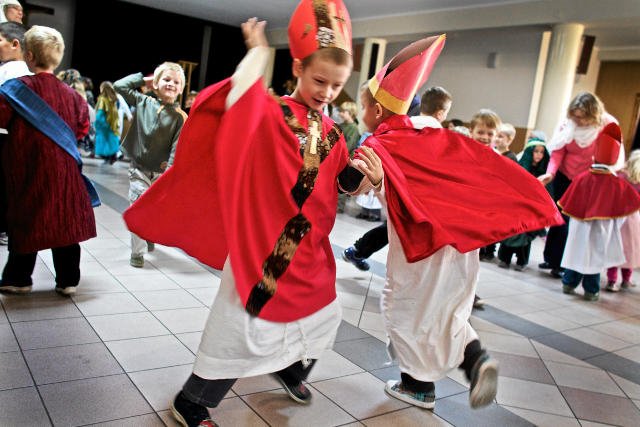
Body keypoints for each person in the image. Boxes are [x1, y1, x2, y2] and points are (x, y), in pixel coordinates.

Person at [123, 2, 382, 426]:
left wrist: (363, 177)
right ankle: (192, 401)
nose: (328, 93)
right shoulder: (271, 112)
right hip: (266, 244)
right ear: (297, 67)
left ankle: (289, 366)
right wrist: (258, 55)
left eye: (337, 86)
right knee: (243, 326)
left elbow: (334, 180)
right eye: (320, 80)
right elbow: (238, 103)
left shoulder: (332, 131)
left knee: (324, 316)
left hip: (309, 247)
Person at [357, 36, 562, 410]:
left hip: (420, 245)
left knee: (404, 309)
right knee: (449, 310)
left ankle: (417, 387)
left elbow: (376, 187)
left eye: (365, 106)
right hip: (460, 242)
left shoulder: (383, 143)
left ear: (378, 112)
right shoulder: (438, 135)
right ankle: (476, 359)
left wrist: (365, 180)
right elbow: (479, 173)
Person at [0, 25, 94, 296]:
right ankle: (68, 280)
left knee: (26, 219)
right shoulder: (74, 97)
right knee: (64, 221)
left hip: (28, 167)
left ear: (28, 56)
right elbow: (81, 129)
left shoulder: (14, 89)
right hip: (65, 169)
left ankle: (19, 279)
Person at [342, 85, 453, 271]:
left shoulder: (398, 129)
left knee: (392, 230)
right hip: (417, 200)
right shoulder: (436, 135)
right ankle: (358, 250)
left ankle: (357, 250)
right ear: (441, 113)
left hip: (395, 194)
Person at [538, 92, 621, 278]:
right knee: (558, 218)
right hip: (563, 177)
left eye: (583, 117)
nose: (579, 121)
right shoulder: (567, 126)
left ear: (593, 114)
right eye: (575, 117)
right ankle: (551, 258)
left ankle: (564, 263)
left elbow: (608, 156)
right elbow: (558, 152)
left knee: (573, 223)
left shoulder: (606, 126)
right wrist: (550, 173)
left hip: (587, 181)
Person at [114, 61, 187, 268]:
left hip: (161, 174)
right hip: (138, 168)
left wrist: (169, 174)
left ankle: (149, 234)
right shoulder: (143, 100)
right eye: (166, 79)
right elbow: (119, 86)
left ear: (181, 88)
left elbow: (177, 148)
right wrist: (144, 80)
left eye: (176, 81)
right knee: (137, 206)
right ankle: (137, 252)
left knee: (153, 211)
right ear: (156, 83)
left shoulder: (180, 117)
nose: (171, 84)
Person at [559, 123, 640, 301]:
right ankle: (591, 290)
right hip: (603, 229)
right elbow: (624, 212)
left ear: (595, 156)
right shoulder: (618, 183)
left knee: (577, 254)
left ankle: (569, 283)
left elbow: (569, 205)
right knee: (595, 258)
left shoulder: (582, 177)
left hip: (580, 227)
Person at [497, 136, 550, 270]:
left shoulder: (545, 173)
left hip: (532, 209)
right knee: (510, 233)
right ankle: (505, 258)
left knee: (526, 236)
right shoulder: (520, 167)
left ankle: (522, 261)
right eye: (536, 151)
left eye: (541, 152)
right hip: (517, 207)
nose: (539, 155)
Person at [605, 149, 640, 291]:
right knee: (630, 250)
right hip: (633, 218)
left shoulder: (619, 175)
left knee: (615, 248)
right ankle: (626, 280)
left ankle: (612, 280)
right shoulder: (638, 179)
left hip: (617, 216)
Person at [470, 109, 502, 262]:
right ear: (471, 131)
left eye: (490, 134)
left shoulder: (497, 159)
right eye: (480, 132)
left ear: (496, 136)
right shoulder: (462, 151)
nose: (485, 137)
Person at [94, 81, 126, 164]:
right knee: (111, 140)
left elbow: (100, 112)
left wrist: (97, 123)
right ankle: (112, 155)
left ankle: (108, 156)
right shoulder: (114, 98)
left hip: (104, 123)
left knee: (103, 140)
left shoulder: (102, 99)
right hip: (113, 123)